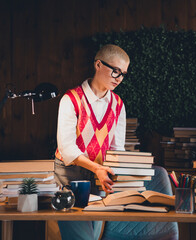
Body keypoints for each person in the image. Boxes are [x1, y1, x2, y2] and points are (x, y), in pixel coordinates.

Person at [54, 44, 129, 240]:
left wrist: (116, 173)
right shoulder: (70, 99)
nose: (119, 78)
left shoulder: (119, 105)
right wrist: (97, 168)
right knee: (81, 238)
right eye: (115, 71)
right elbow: (67, 149)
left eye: (123, 74)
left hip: (100, 177)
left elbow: (116, 148)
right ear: (98, 64)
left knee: (94, 236)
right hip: (69, 174)